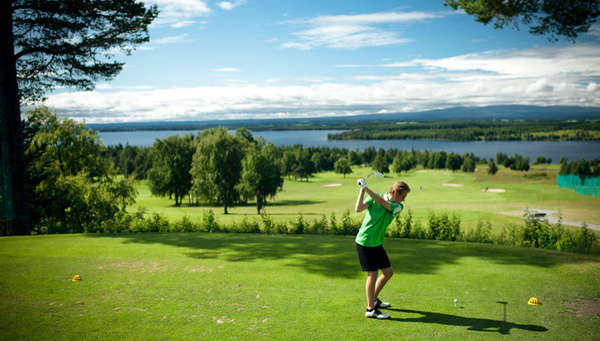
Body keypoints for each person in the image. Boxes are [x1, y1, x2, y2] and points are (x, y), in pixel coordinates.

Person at [355, 178, 410, 319]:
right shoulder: (375, 198)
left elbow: (382, 203)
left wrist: (366, 188)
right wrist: (362, 190)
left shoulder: (397, 207)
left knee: (388, 272)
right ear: (396, 193)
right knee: (372, 274)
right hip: (365, 241)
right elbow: (358, 208)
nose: (404, 200)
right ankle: (370, 309)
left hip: (377, 243)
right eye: (403, 196)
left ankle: (373, 300)